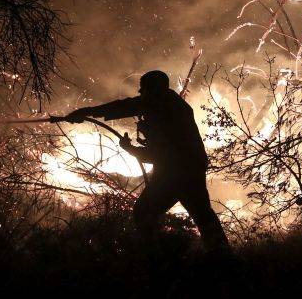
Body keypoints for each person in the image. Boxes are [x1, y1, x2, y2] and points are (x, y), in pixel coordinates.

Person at [65, 70, 229, 251]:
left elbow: (162, 150)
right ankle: (221, 257)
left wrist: (87, 112)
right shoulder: (170, 106)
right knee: (203, 216)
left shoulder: (163, 105)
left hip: (175, 172)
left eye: (144, 89)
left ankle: (155, 257)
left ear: (154, 88)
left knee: (144, 212)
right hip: (188, 169)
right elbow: (160, 150)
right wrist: (131, 149)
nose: (140, 93)